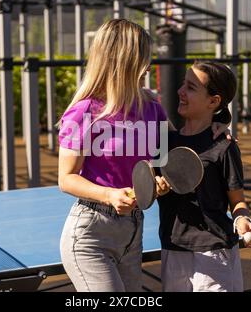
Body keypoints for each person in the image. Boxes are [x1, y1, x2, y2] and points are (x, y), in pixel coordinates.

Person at [57, 19, 230, 292]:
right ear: (124, 61)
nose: (149, 66)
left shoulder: (152, 109)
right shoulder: (84, 112)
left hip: (133, 230)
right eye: (144, 58)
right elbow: (66, 179)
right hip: (92, 233)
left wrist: (216, 127)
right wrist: (109, 194)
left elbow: (170, 158)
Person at [156, 61, 251, 292]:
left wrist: (241, 219)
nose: (180, 91)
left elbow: (238, 201)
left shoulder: (224, 146)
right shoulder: (164, 142)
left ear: (213, 101)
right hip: (173, 248)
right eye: (183, 84)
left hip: (215, 253)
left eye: (191, 87)